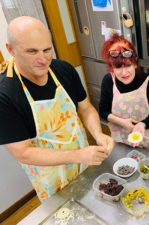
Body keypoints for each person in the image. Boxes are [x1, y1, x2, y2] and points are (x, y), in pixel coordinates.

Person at [0, 16, 114, 201]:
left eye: (47, 49)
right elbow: (23, 152)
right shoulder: (5, 95)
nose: (43, 59)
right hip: (51, 177)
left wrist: (99, 135)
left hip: (84, 162)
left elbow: (85, 108)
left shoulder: (64, 70)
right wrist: (77, 155)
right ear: (10, 49)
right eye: (31, 51)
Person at [98, 33, 149, 154]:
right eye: (118, 67)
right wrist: (123, 122)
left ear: (134, 63)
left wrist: (142, 125)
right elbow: (103, 111)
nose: (124, 73)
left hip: (147, 139)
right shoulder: (108, 81)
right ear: (112, 68)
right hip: (121, 139)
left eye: (128, 65)